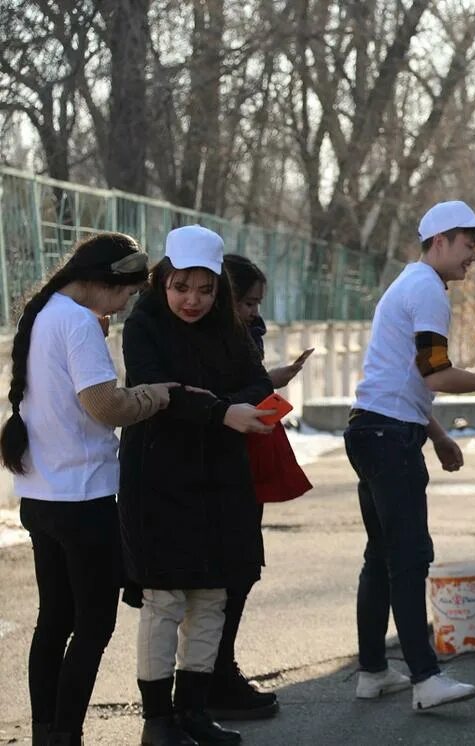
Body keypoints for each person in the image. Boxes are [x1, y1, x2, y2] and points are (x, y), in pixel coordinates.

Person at [346, 200, 475, 711]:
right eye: (469, 244)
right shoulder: (426, 290)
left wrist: (439, 434)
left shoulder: (410, 284)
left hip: (372, 428)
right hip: (387, 438)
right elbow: (436, 374)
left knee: (381, 557)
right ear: (441, 240)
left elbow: (400, 379)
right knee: (408, 557)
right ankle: (425, 679)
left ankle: (373, 672)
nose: (474, 255)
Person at [1, 234, 176, 746]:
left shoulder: (46, 312)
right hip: (84, 499)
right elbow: (106, 406)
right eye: (124, 295)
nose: (124, 308)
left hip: (41, 494)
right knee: (94, 624)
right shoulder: (78, 324)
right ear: (105, 282)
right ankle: (66, 732)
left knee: (54, 619)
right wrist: (155, 396)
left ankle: (45, 733)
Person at [118, 225, 276, 746]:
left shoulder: (229, 327)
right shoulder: (142, 325)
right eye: (181, 286)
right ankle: (156, 721)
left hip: (221, 478)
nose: (193, 300)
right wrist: (220, 409)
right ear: (163, 279)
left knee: (212, 596)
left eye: (205, 290)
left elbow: (257, 381)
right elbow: (157, 391)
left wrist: (225, 406)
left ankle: (193, 711)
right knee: (165, 600)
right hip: (160, 478)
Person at [201, 254, 312, 721]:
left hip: (244, 466)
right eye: (247, 302)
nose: (253, 312)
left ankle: (218, 673)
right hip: (215, 473)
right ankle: (209, 679)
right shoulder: (204, 339)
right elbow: (219, 398)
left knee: (241, 573)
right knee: (219, 581)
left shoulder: (246, 334)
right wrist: (268, 381)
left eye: (257, 304)